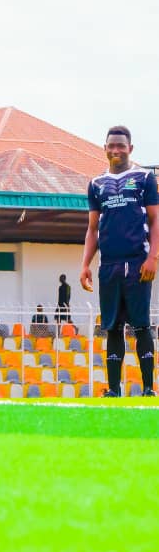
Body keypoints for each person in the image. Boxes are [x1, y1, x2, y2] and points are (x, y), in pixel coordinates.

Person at [80, 126, 159, 397]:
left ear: (130, 149)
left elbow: (155, 220)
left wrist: (153, 257)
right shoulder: (96, 184)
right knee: (112, 327)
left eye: (121, 146)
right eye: (111, 146)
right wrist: (85, 264)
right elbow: (92, 228)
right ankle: (114, 390)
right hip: (109, 266)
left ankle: (148, 389)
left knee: (141, 326)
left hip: (138, 263)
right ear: (104, 149)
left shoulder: (144, 178)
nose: (116, 150)